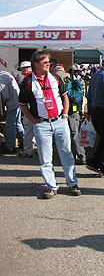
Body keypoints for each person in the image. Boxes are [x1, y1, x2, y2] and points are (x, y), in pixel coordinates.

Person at [18, 50, 81, 199]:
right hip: (42, 124)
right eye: (45, 62)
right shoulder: (28, 82)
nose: (48, 65)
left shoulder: (55, 78)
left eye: (49, 62)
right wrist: (34, 121)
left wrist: (65, 115)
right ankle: (52, 186)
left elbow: (65, 98)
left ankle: (72, 183)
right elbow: (22, 104)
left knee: (66, 153)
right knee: (46, 157)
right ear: (36, 64)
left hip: (59, 121)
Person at [67, 64, 87, 165]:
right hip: (75, 110)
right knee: (74, 133)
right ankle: (80, 155)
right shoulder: (80, 81)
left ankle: (80, 155)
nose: (76, 73)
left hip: (70, 110)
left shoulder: (67, 81)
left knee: (73, 134)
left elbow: (82, 97)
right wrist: (82, 110)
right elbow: (82, 97)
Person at [0, 71, 24, 154]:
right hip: (17, 103)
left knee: (10, 126)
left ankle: (10, 147)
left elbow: (5, 95)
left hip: (11, 105)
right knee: (18, 124)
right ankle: (23, 142)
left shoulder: (2, 78)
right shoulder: (7, 75)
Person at [18, 61, 35, 158]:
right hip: (37, 109)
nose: (21, 71)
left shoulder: (27, 79)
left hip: (29, 108)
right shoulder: (35, 77)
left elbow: (24, 97)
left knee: (28, 130)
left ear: (25, 69)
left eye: (21, 69)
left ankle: (28, 151)